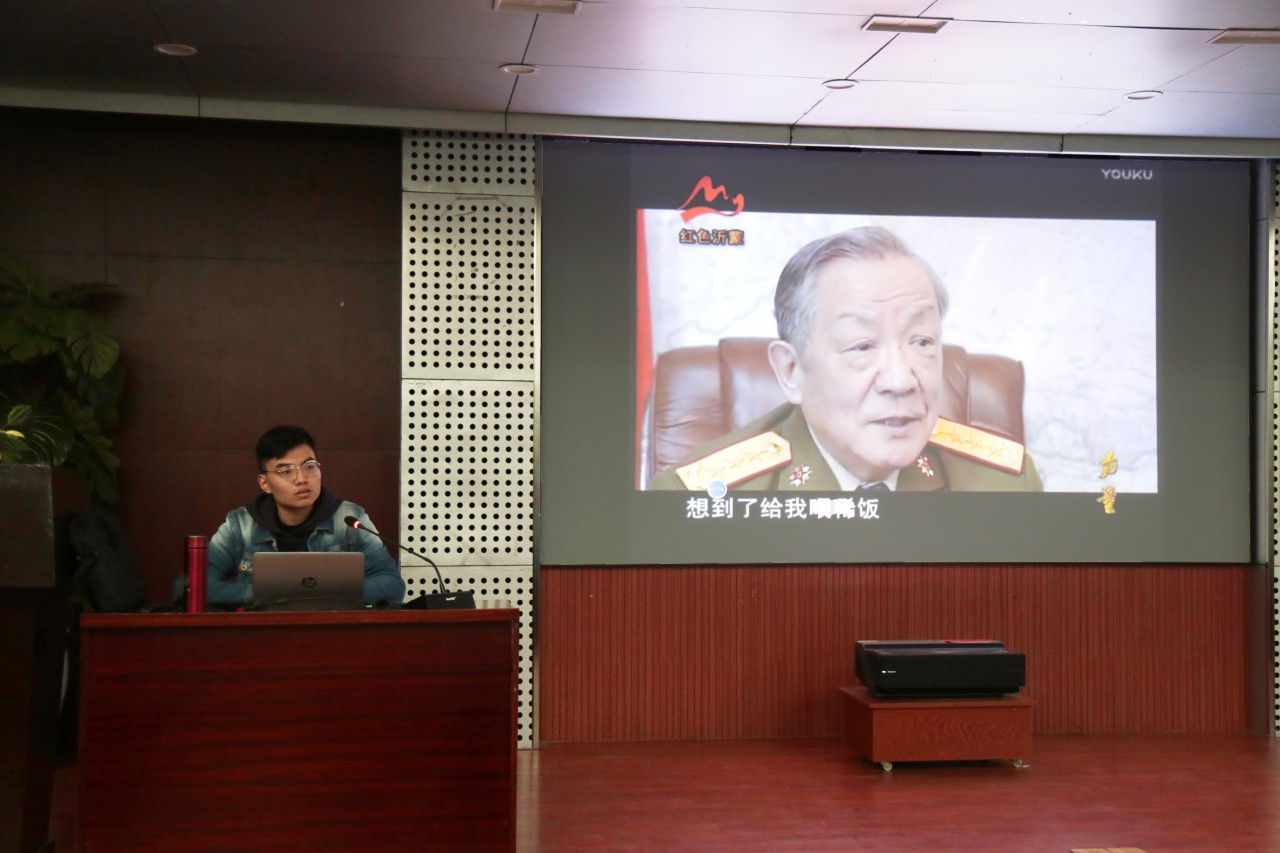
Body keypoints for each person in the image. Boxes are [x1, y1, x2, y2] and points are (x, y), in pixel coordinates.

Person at [650, 226, 1042, 492]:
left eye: (922, 341)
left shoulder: (1004, 483)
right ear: (791, 371)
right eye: (862, 346)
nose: (901, 381)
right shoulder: (699, 496)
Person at [200, 425, 405, 608]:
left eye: (309, 467)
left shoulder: (349, 519)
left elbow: (393, 585)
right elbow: (195, 585)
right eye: (286, 471)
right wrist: (263, 595)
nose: (302, 479)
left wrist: (328, 592)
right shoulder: (239, 525)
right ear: (265, 483)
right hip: (261, 634)